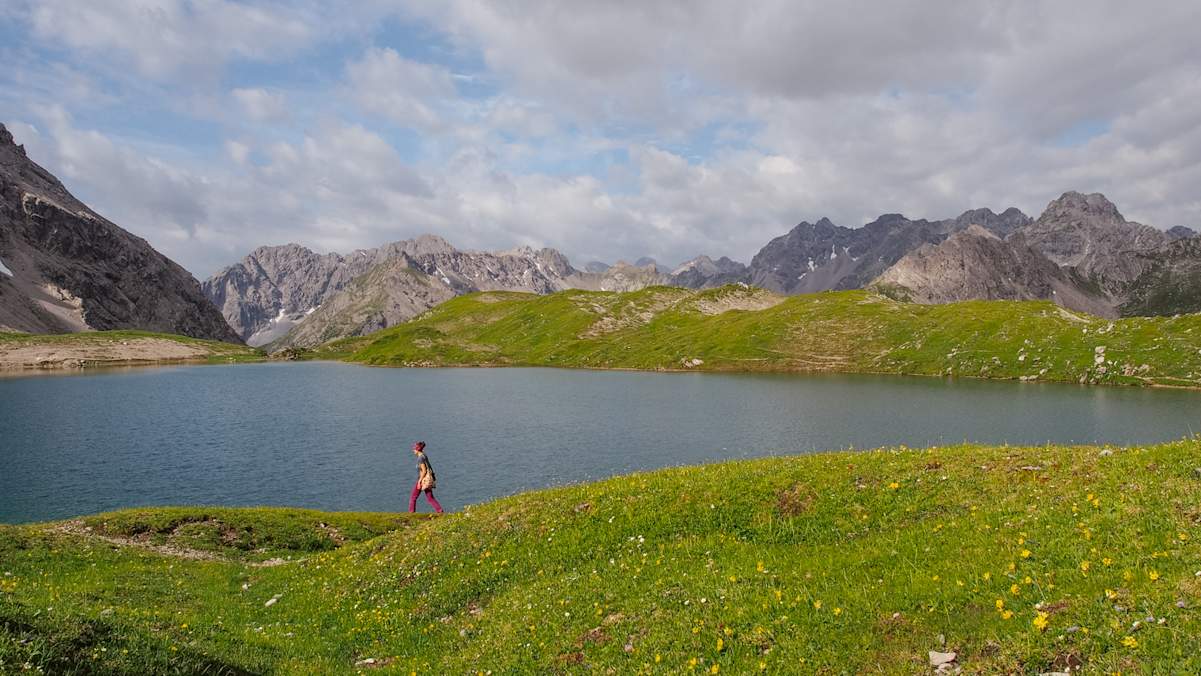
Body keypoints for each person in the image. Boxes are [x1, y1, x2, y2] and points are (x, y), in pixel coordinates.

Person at [409, 441, 443, 514]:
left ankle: (411, 513)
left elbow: (424, 471)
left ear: (417, 449)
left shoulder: (420, 458)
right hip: (427, 480)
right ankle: (440, 511)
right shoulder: (424, 455)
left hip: (423, 480)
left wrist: (419, 481)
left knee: (413, 497)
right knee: (430, 497)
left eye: (414, 449)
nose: (413, 450)